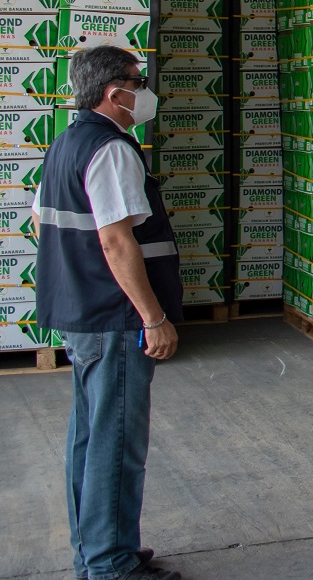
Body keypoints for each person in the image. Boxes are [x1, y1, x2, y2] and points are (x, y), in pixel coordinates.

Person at [32, 46, 184, 580]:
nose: (143, 92)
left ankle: (96, 548)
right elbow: (119, 243)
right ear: (113, 92)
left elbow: (42, 223)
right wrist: (153, 317)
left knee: (91, 436)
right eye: (137, 83)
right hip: (115, 319)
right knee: (116, 441)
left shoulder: (66, 143)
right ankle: (110, 563)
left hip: (80, 314)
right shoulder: (113, 149)